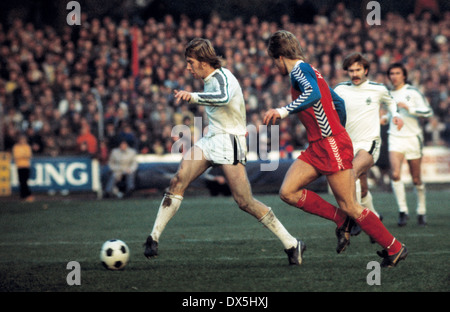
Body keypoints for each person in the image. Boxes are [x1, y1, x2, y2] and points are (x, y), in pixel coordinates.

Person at [143, 38, 305, 266]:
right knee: (178, 179)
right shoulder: (210, 78)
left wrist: (193, 96)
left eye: (190, 62)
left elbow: (224, 98)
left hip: (230, 141)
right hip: (211, 139)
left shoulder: (223, 76)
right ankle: (153, 238)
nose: (188, 67)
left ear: (203, 61)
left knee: (245, 202)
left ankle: (291, 243)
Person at [264, 30, 407, 267]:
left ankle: (395, 247)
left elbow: (313, 94)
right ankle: (343, 220)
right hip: (321, 144)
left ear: (279, 56)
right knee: (288, 192)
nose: (274, 65)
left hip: (330, 143)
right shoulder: (310, 70)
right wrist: (332, 127)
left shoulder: (299, 70)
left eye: (273, 60)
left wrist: (282, 111)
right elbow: (337, 103)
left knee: (351, 205)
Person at [334, 52, 404, 240]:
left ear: (365, 70)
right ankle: (375, 219)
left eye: (358, 70)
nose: (354, 74)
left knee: (352, 173)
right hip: (348, 144)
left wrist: (396, 115)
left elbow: (391, 102)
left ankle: (355, 218)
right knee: (362, 189)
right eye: (351, 71)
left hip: (370, 142)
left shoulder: (377, 89)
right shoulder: (340, 89)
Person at [386, 63, 433, 226]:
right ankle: (403, 211)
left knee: (416, 178)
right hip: (395, 137)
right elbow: (388, 114)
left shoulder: (412, 92)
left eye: (397, 73)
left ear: (404, 75)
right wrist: (384, 118)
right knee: (395, 174)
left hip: (413, 137)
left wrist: (410, 108)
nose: (394, 76)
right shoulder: (388, 94)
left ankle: (421, 210)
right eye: (391, 73)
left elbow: (428, 112)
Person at [12, 134, 34, 202]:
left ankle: (26, 195)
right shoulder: (16, 147)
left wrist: (22, 155)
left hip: (26, 166)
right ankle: (24, 195)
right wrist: (23, 155)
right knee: (22, 181)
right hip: (19, 166)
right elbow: (16, 156)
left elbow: (29, 155)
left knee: (25, 181)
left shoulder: (27, 146)